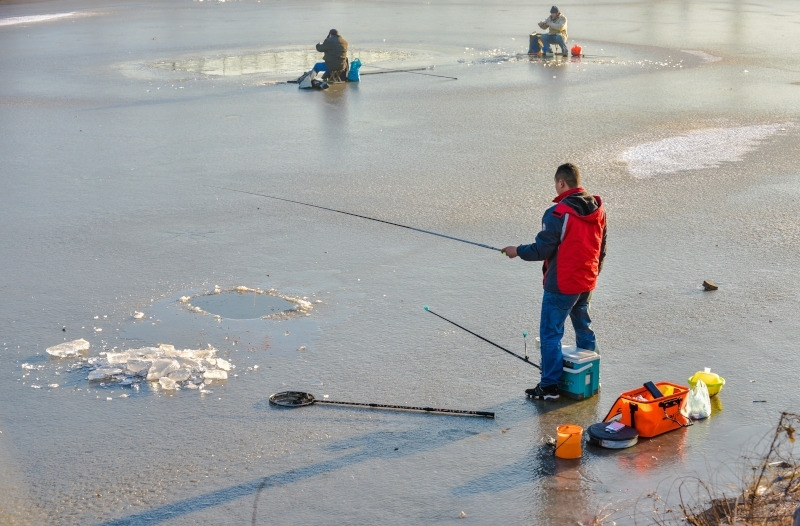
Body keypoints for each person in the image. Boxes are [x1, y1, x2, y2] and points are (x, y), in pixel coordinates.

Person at [502, 163, 606, 400]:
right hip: (586, 281)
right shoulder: (598, 209)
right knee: (584, 328)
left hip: (562, 284)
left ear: (561, 182)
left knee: (551, 334)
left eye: (556, 183)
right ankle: (591, 378)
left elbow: (542, 249)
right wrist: (594, 273)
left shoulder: (558, 213)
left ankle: (549, 387)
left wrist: (516, 250)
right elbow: (603, 246)